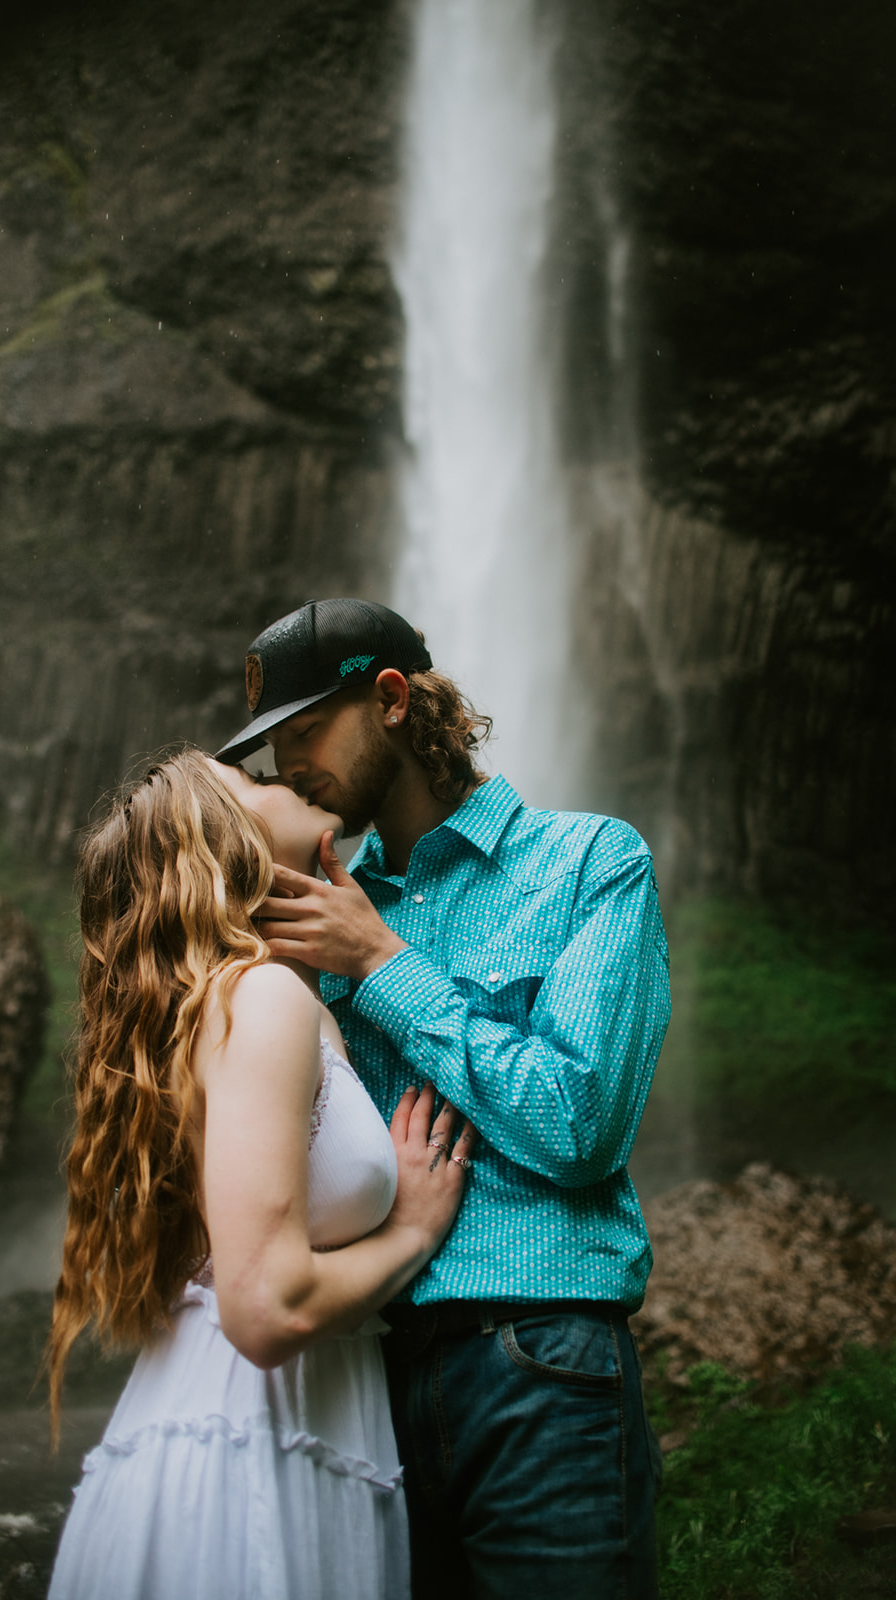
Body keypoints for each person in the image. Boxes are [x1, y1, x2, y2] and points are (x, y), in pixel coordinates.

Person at [214, 597, 672, 1600]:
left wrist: (380, 961)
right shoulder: (310, 895)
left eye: (303, 731)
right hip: (354, 1381)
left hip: (538, 1354)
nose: (286, 764)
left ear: (388, 699)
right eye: (271, 745)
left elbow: (580, 1124)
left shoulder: (591, 862)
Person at [46, 746, 473, 1600]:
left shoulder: (253, 1001)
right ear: (223, 844)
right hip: (245, 1445)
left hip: (256, 1425)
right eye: (250, 782)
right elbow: (265, 1307)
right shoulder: (263, 1000)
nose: (281, 772)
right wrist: (413, 1233)